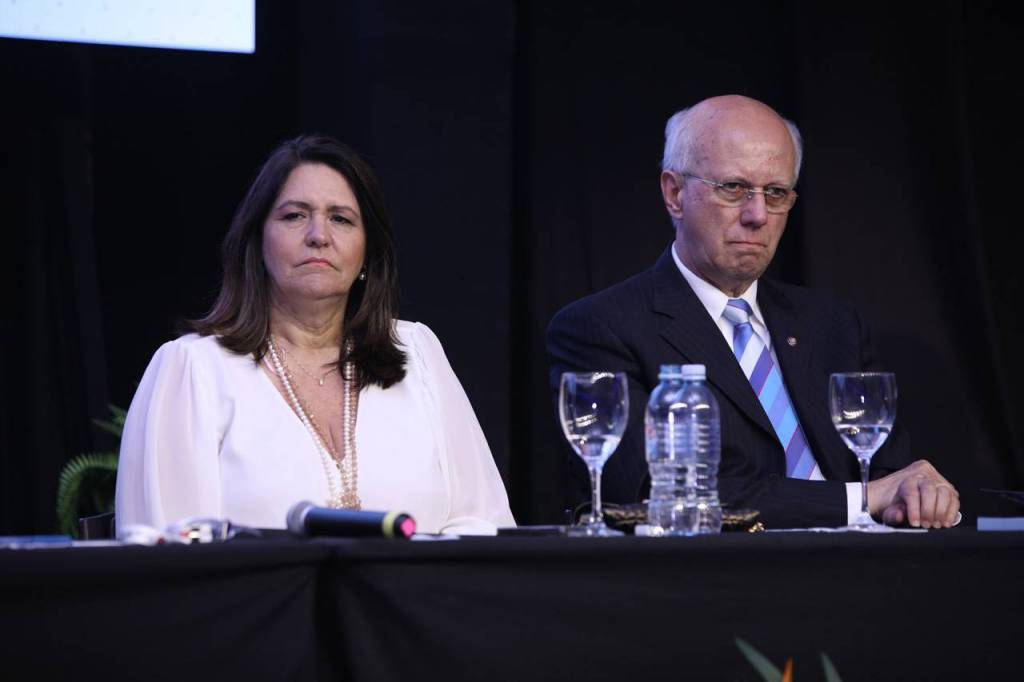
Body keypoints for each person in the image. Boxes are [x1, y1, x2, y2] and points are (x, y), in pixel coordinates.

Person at [547, 95, 960, 529]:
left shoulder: (833, 323)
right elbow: (651, 494)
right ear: (674, 194)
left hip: (864, 562)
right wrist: (860, 499)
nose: (758, 215)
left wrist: (919, 493)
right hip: (725, 568)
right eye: (733, 188)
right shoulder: (601, 328)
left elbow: (888, 474)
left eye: (776, 193)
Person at [115, 134, 515, 535]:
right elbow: (168, 552)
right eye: (294, 216)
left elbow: (483, 521)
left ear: (367, 253)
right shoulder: (192, 369)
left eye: (341, 219)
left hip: (420, 580)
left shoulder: (416, 352)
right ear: (257, 242)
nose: (318, 235)